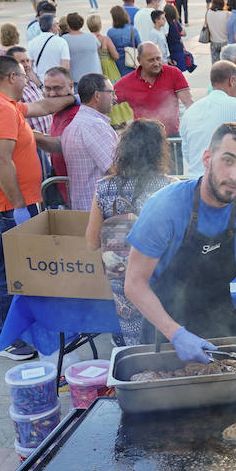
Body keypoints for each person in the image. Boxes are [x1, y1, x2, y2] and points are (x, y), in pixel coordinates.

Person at [123, 122, 236, 361]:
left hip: (220, 318)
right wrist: (175, 333)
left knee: (231, 394)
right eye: (228, 160)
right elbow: (134, 283)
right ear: (207, 158)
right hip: (164, 321)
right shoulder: (165, 207)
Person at [0, 55, 76, 361]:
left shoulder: (2, 103)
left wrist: (74, 97)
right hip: (6, 207)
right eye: (24, 77)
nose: (27, 82)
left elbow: (43, 107)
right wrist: (18, 206)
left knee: (15, 269)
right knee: (9, 271)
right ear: (11, 77)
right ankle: (7, 338)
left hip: (11, 204)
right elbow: (1, 160)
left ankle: (17, 331)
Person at [85, 119, 176, 347]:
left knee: (135, 341)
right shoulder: (169, 186)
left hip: (122, 277)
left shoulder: (104, 188)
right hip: (160, 275)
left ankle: (139, 375)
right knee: (166, 336)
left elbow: (92, 241)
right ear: (158, 150)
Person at [61, 73, 119, 212]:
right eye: (111, 92)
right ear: (97, 95)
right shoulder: (94, 125)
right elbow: (116, 168)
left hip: (87, 209)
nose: (115, 98)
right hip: (99, 212)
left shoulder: (80, 123)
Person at [113, 42, 193, 136]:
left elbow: (188, 102)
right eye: (151, 60)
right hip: (142, 139)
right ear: (139, 60)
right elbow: (105, 102)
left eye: (158, 58)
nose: (156, 63)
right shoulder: (126, 83)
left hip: (172, 137)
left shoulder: (174, 73)